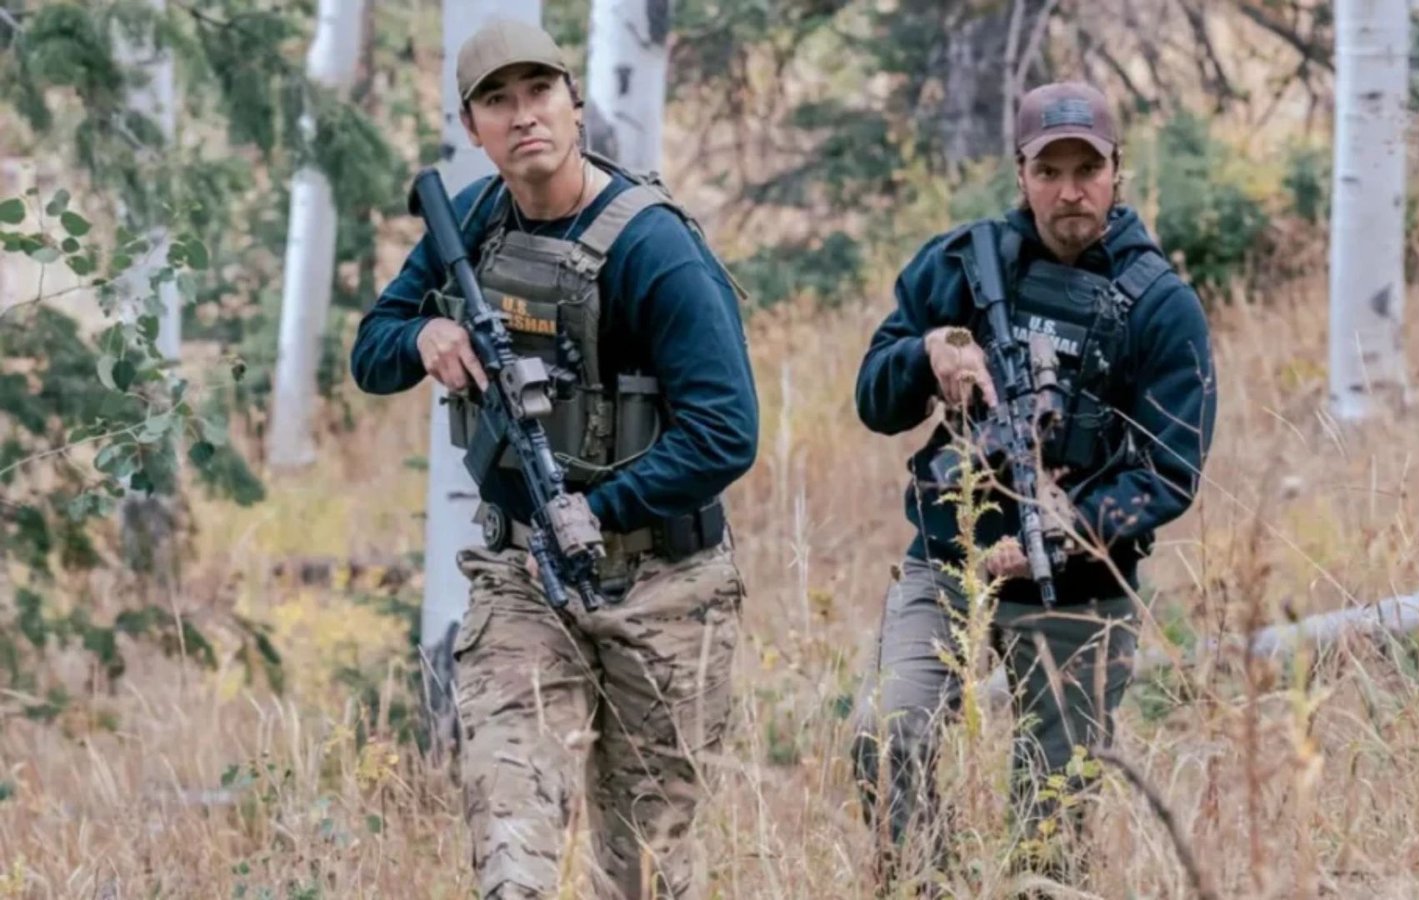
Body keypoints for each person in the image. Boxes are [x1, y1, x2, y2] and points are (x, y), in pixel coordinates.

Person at [348, 18, 758, 900]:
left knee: (645, 866)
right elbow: (370, 351)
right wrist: (423, 335)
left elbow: (727, 432)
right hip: (524, 578)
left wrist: (599, 511)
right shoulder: (471, 223)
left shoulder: (654, 248)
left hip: (664, 585)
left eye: (539, 91)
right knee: (510, 834)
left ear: (574, 102)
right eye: (498, 100)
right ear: (472, 126)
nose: (523, 114)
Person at [849, 80, 1216, 891]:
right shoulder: (960, 264)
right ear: (1021, 174)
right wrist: (927, 356)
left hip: (1078, 586)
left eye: (1088, 170)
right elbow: (873, 398)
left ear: (1118, 171)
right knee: (886, 733)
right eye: (1050, 172)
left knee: (1050, 824)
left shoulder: (1161, 305)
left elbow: (1171, 471)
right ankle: (927, 886)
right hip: (949, 558)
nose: (1069, 191)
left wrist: (1063, 529)